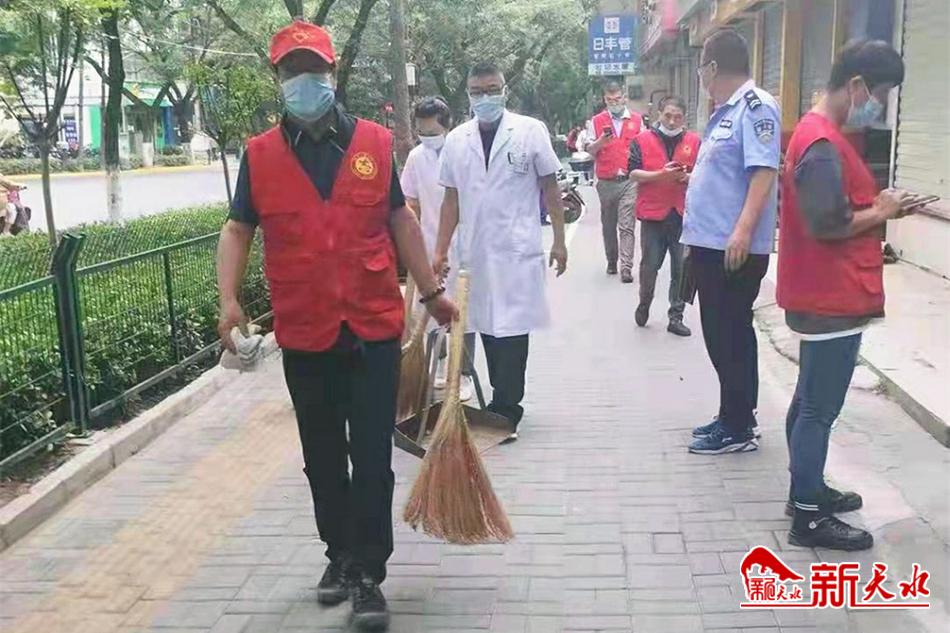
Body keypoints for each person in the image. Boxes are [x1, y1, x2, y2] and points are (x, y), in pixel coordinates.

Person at [215, 21, 456, 630]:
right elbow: (238, 228)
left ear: (332, 72)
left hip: (372, 328)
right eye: (292, 70)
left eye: (313, 69)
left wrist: (431, 292)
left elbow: (400, 220)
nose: (305, 79)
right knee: (322, 457)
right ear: (278, 77)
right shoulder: (260, 155)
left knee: (371, 457)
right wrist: (228, 300)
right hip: (305, 330)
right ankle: (339, 555)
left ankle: (368, 573)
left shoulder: (374, 141)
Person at [778, 40, 912, 551]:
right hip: (830, 296)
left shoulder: (823, 135)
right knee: (818, 408)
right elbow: (828, 224)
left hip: (828, 293)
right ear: (856, 86)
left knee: (809, 400)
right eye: (881, 93)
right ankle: (808, 517)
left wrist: (881, 206)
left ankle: (806, 492)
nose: (881, 105)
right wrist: (883, 210)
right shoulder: (821, 143)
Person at [434, 61, 568, 443]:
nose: (485, 97)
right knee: (486, 327)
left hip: (515, 249)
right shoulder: (456, 140)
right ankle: (499, 401)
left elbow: (550, 188)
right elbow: (450, 200)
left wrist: (559, 241)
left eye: (492, 89)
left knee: (511, 330)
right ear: (468, 95)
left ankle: (507, 407)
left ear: (505, 90)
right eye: (478, 91)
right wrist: (440, 250)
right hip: (475, 251)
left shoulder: (530, 131)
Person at [684, 29, 780, 455]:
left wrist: (742, 230)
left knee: (729, 334)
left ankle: (738, 428)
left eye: (701, 67)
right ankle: (733, 414)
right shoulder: (727, 111)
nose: (701, 76)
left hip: (732, 246)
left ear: (712, 67)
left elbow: (763, 171)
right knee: (723, 333)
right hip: (712, 242)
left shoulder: (756, 106)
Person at [400, 96, 476, 402]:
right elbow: (409, 202)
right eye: (422, 132)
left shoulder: (465, 152)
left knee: (464, 313)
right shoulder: (416, 158)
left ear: (447, 126)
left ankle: (464, 373)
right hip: (429, 245)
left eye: (432, 132)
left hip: (466, 244)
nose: (427, 138)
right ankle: (438, 367)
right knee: (430, 313)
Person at [628, 96, 700, 337]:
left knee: (681, 268)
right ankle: (644, 302)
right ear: (659, 114)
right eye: (668, 116)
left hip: (681, 214)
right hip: (653, 215)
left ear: (684, 118)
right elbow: (633, 173)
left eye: (677, 117)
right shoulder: (641, 140)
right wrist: (660, 175)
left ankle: (676, 316)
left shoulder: (694, 142)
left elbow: (704, 174)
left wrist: (687, 178)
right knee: (650, 266)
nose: (672, 121)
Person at [586, 81, 643, 281]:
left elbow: (644, 147)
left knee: (627, 225)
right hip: (606, 181)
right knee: (609, 225)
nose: (615, 103)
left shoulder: (637, 120)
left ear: (624, 98)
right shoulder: (596, 121)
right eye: (610, 100)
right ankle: (612, 260)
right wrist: (601, 141)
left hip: (629, 180)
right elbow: (589, 150)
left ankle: (626, 267)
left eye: (618, 99)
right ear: (605, 100)